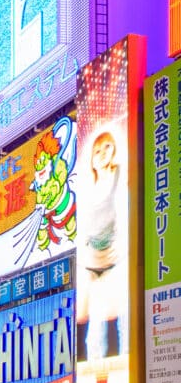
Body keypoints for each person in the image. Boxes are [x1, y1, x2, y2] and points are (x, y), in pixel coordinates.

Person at [77, 130, 127, 361]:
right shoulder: (88, 187)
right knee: (89, 322)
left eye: (107, 147)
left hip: (114, 259)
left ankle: (122, 363)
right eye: (97, 150)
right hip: (91, 263)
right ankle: (89, 368)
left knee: (118, 316)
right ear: (92, 159)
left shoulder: (120, 176)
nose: (103, 154)